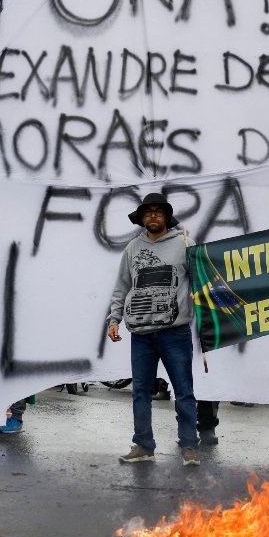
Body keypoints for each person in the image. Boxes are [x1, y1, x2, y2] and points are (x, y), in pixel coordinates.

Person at [107, 193, 200, 467]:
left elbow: (200, 281)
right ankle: (143, 445)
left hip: (176, 331)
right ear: (142, 217)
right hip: (141, 333)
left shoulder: (185, 243)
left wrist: (201, 302)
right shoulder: (133, 248)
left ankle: (189, 446)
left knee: (183, 391)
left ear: (166, 216)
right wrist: (114, 318)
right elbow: (122, 286)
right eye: (149, 212)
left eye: (159, 211)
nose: (154, 216)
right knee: (140, 392)